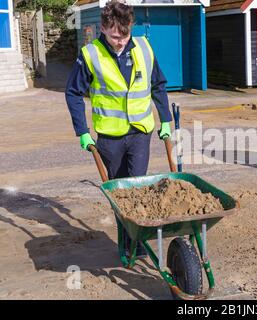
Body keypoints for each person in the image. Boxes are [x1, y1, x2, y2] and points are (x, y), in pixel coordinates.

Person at [65, 0, 172, 257]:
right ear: (103, 28)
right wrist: (82, 131)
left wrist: (165, 119)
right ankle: (126, 243)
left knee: (138, 188)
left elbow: (158, 84)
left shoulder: (144, 48)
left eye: (125, 35)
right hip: (109, 138)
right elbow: (73, 92)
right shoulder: (90, 54)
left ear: (130, 27)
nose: (120, 41)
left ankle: (140, 241)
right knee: (119, 193)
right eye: (114, 36)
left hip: (140, 133)